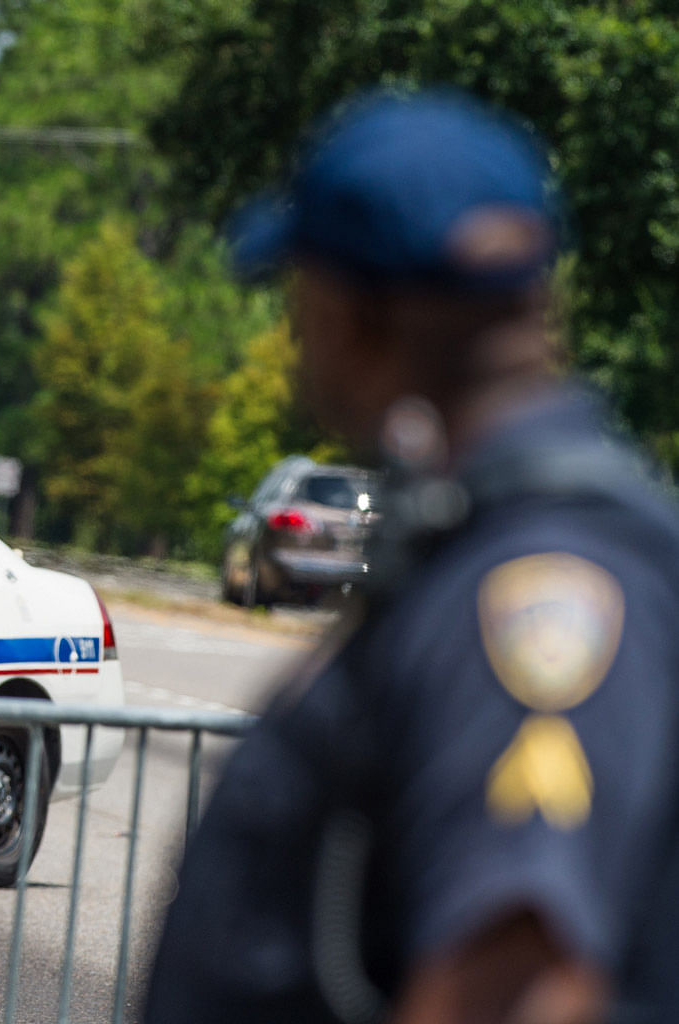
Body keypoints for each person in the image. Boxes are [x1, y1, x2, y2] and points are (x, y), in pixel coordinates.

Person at [144, 89, 679, 1024]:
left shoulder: (543, 579)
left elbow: (518, 984)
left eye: (297, 293)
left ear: (354, 314)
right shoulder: (478, 537)